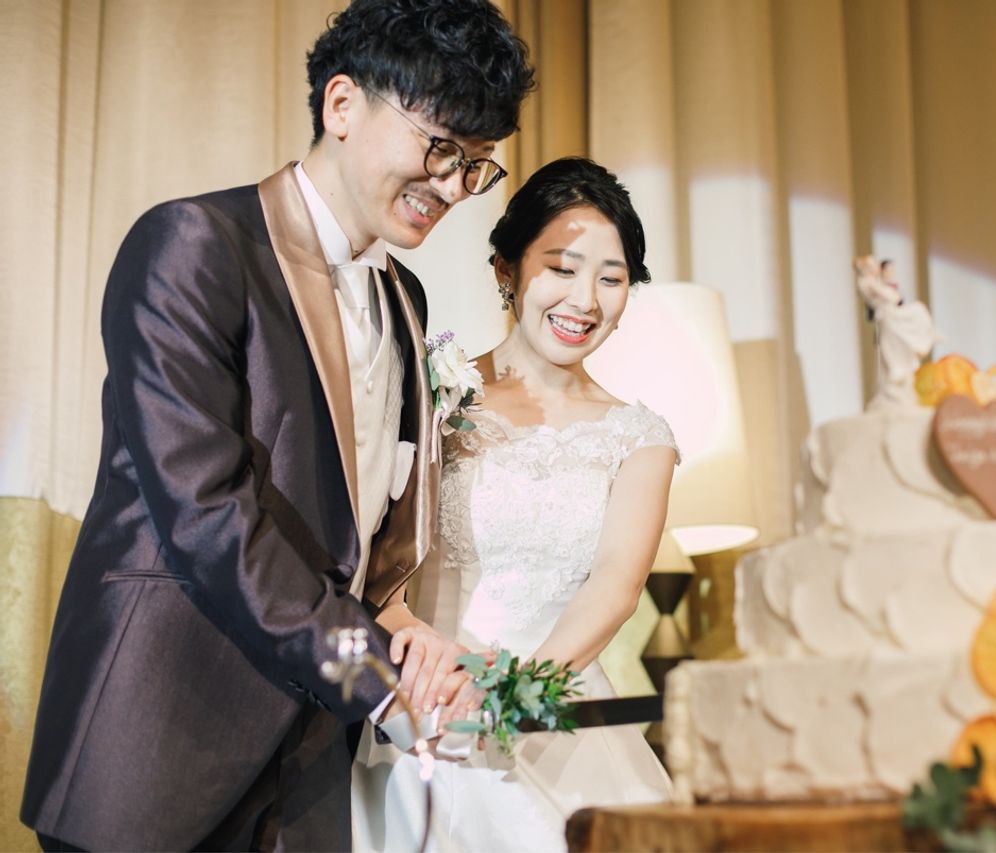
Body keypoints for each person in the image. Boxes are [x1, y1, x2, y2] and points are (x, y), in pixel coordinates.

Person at [20, 2, 534, 850]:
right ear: (343, 104)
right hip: (160, 743)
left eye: (475, 166)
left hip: (309, 766)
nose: (452, 188)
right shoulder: (196, 245)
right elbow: (208, 518)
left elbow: (364, 535)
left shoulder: (405, 299)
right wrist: (376, 677)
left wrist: (405, 633)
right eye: (440, 148)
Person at [351, 157, 677, 852]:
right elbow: (375, 550)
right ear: (506, 269)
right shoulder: (431, 397)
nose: (585, 301)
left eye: (612, 278)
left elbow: (615, 587)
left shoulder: (640, 436)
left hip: (557, 714)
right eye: (562, 268)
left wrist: (516, 695)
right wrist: (420, 659)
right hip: (429, 704)